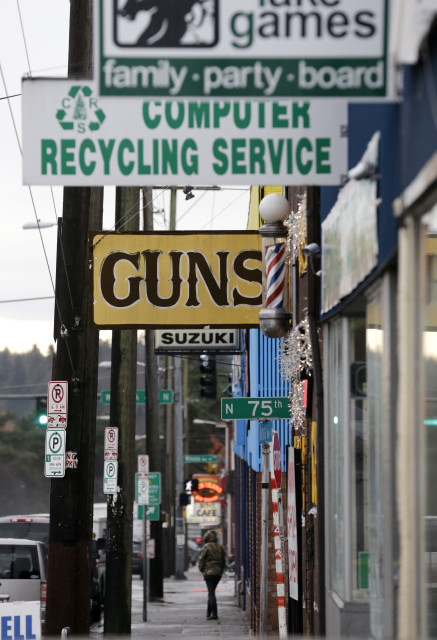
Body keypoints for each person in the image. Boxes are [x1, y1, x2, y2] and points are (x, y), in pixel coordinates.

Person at [198, 529, 226, 620]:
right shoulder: (220, 547)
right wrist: (221, 571)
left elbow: (201, 560)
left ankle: (214, 614)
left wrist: (201, 569)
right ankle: (208, 613)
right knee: (211, 592)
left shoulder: (206, 547)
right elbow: (223, 561)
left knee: (211, 594)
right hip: (217, 573)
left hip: (209, 573)